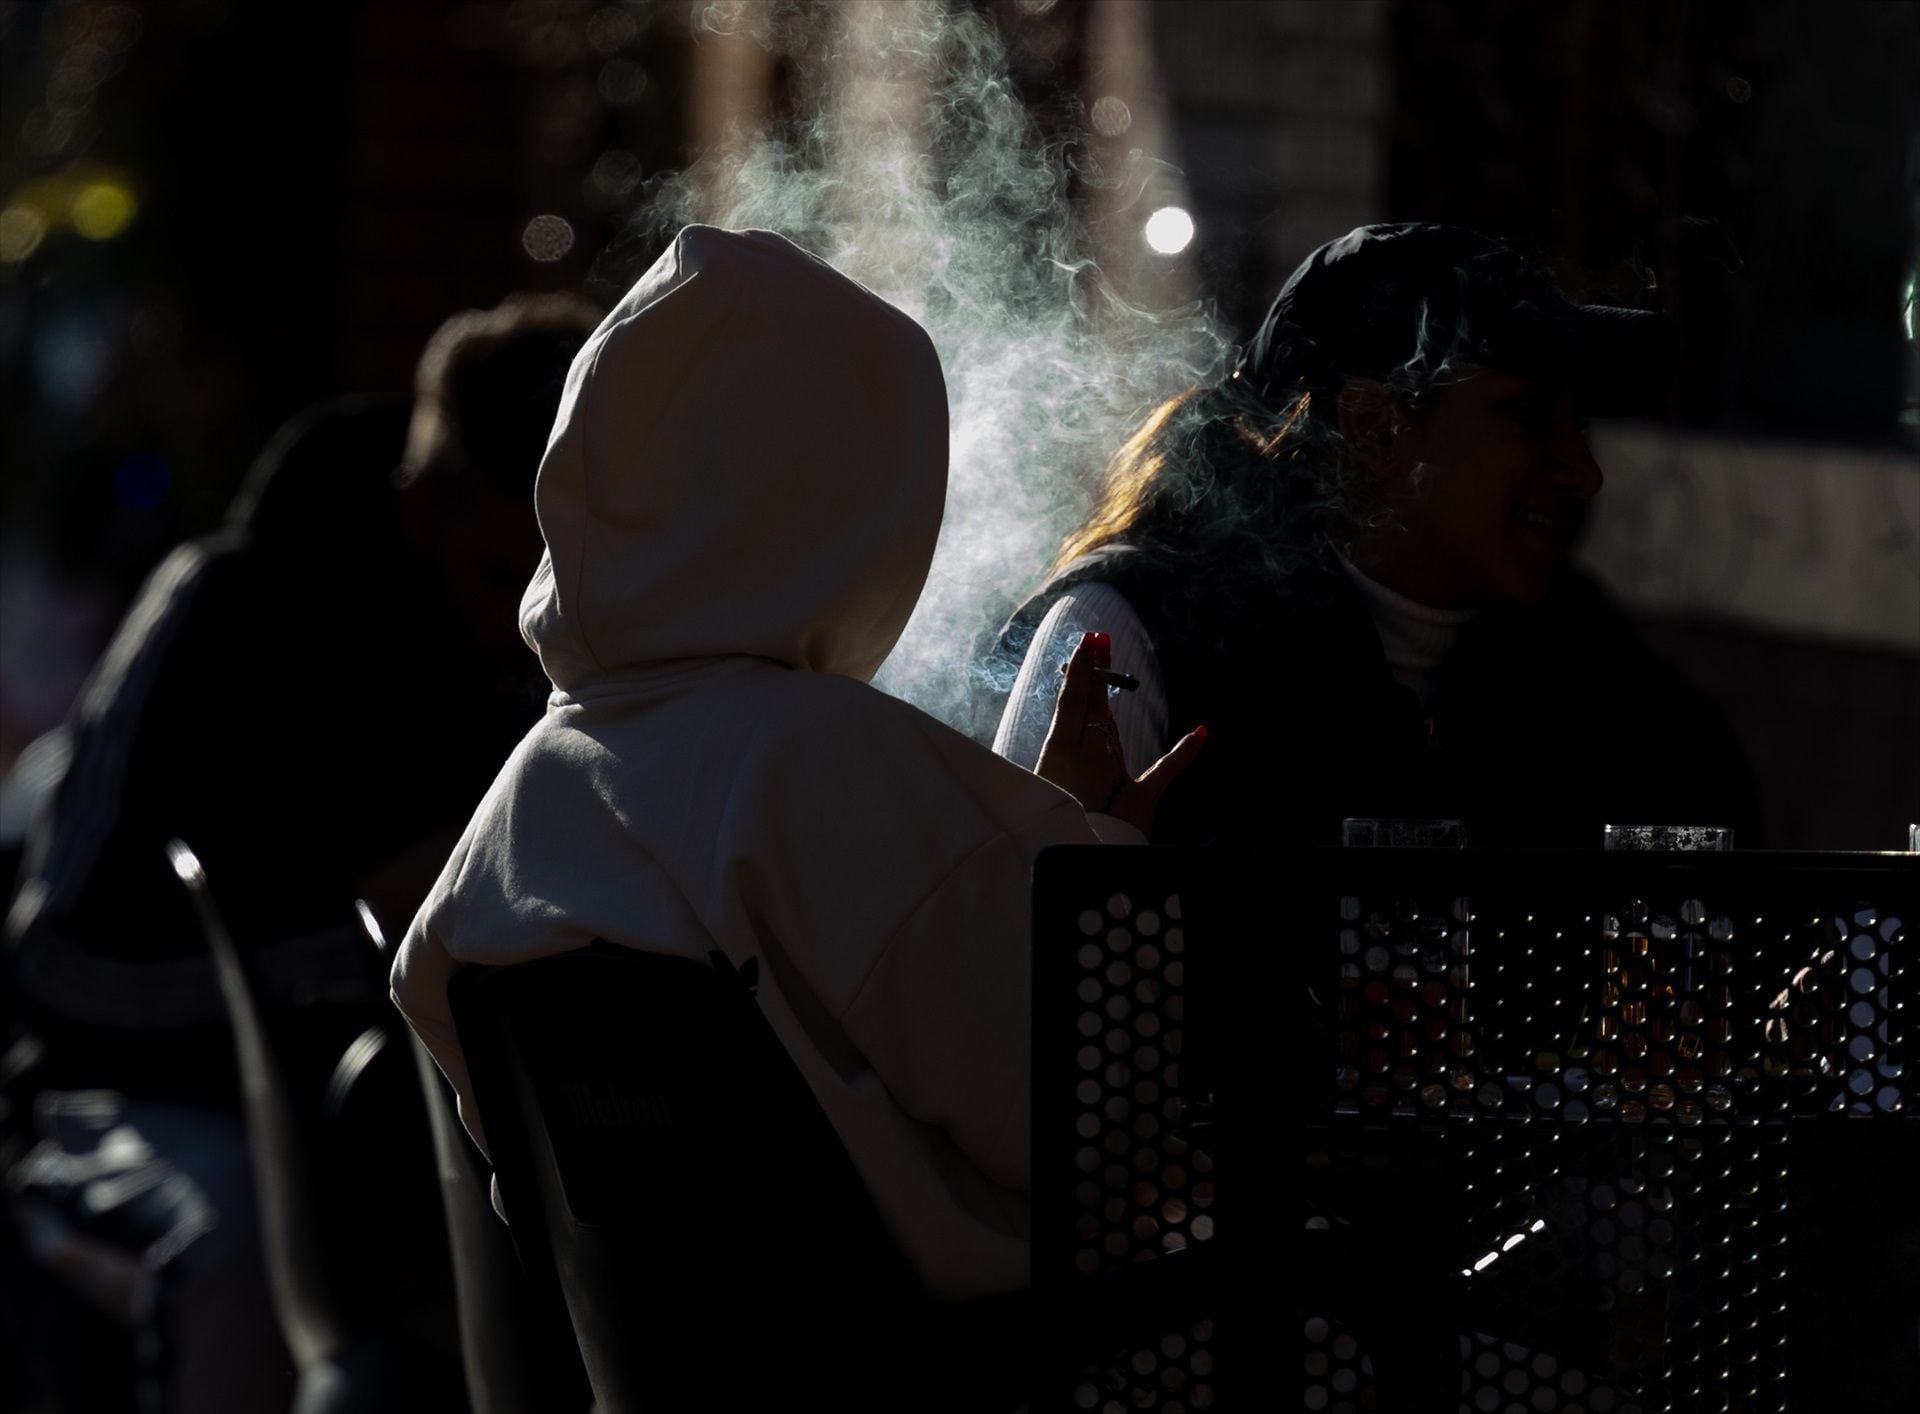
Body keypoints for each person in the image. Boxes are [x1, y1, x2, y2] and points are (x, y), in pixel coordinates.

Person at [392, 226, 1202, 1311]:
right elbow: (1087, 1114)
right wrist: (1098, 861)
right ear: (849, 493)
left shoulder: (529, 792)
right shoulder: (831, 762)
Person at [2, 293, 599, 1413]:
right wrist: (377, 950)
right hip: (143, 1101)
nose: (527, 635)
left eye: (559, 593)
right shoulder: (227, 611)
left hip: (419, 1130)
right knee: (233, 1242)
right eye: (497, 581)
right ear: (421, 510)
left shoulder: (566, 664)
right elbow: (54, 961)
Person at [990, 222, 1760, 851]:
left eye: (1579, 422)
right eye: (1526, 415)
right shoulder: (1133, 637)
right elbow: (1007, 992)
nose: (1582, 471)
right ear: (1372, 427)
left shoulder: (1589, 681)